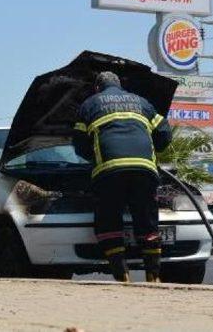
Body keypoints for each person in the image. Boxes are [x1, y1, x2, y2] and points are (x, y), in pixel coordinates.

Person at [73, 71, 172, 282]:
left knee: (108, 221)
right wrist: (151, 149)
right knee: (147, 221)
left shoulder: (90, 104)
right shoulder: (142, 102)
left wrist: (97, 155)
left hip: (109, 172)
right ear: (121, 85)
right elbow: (164, 134)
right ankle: (153, 276)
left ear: (97, 88)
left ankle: (122, 276)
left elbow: (80, 146)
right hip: (144, 170)